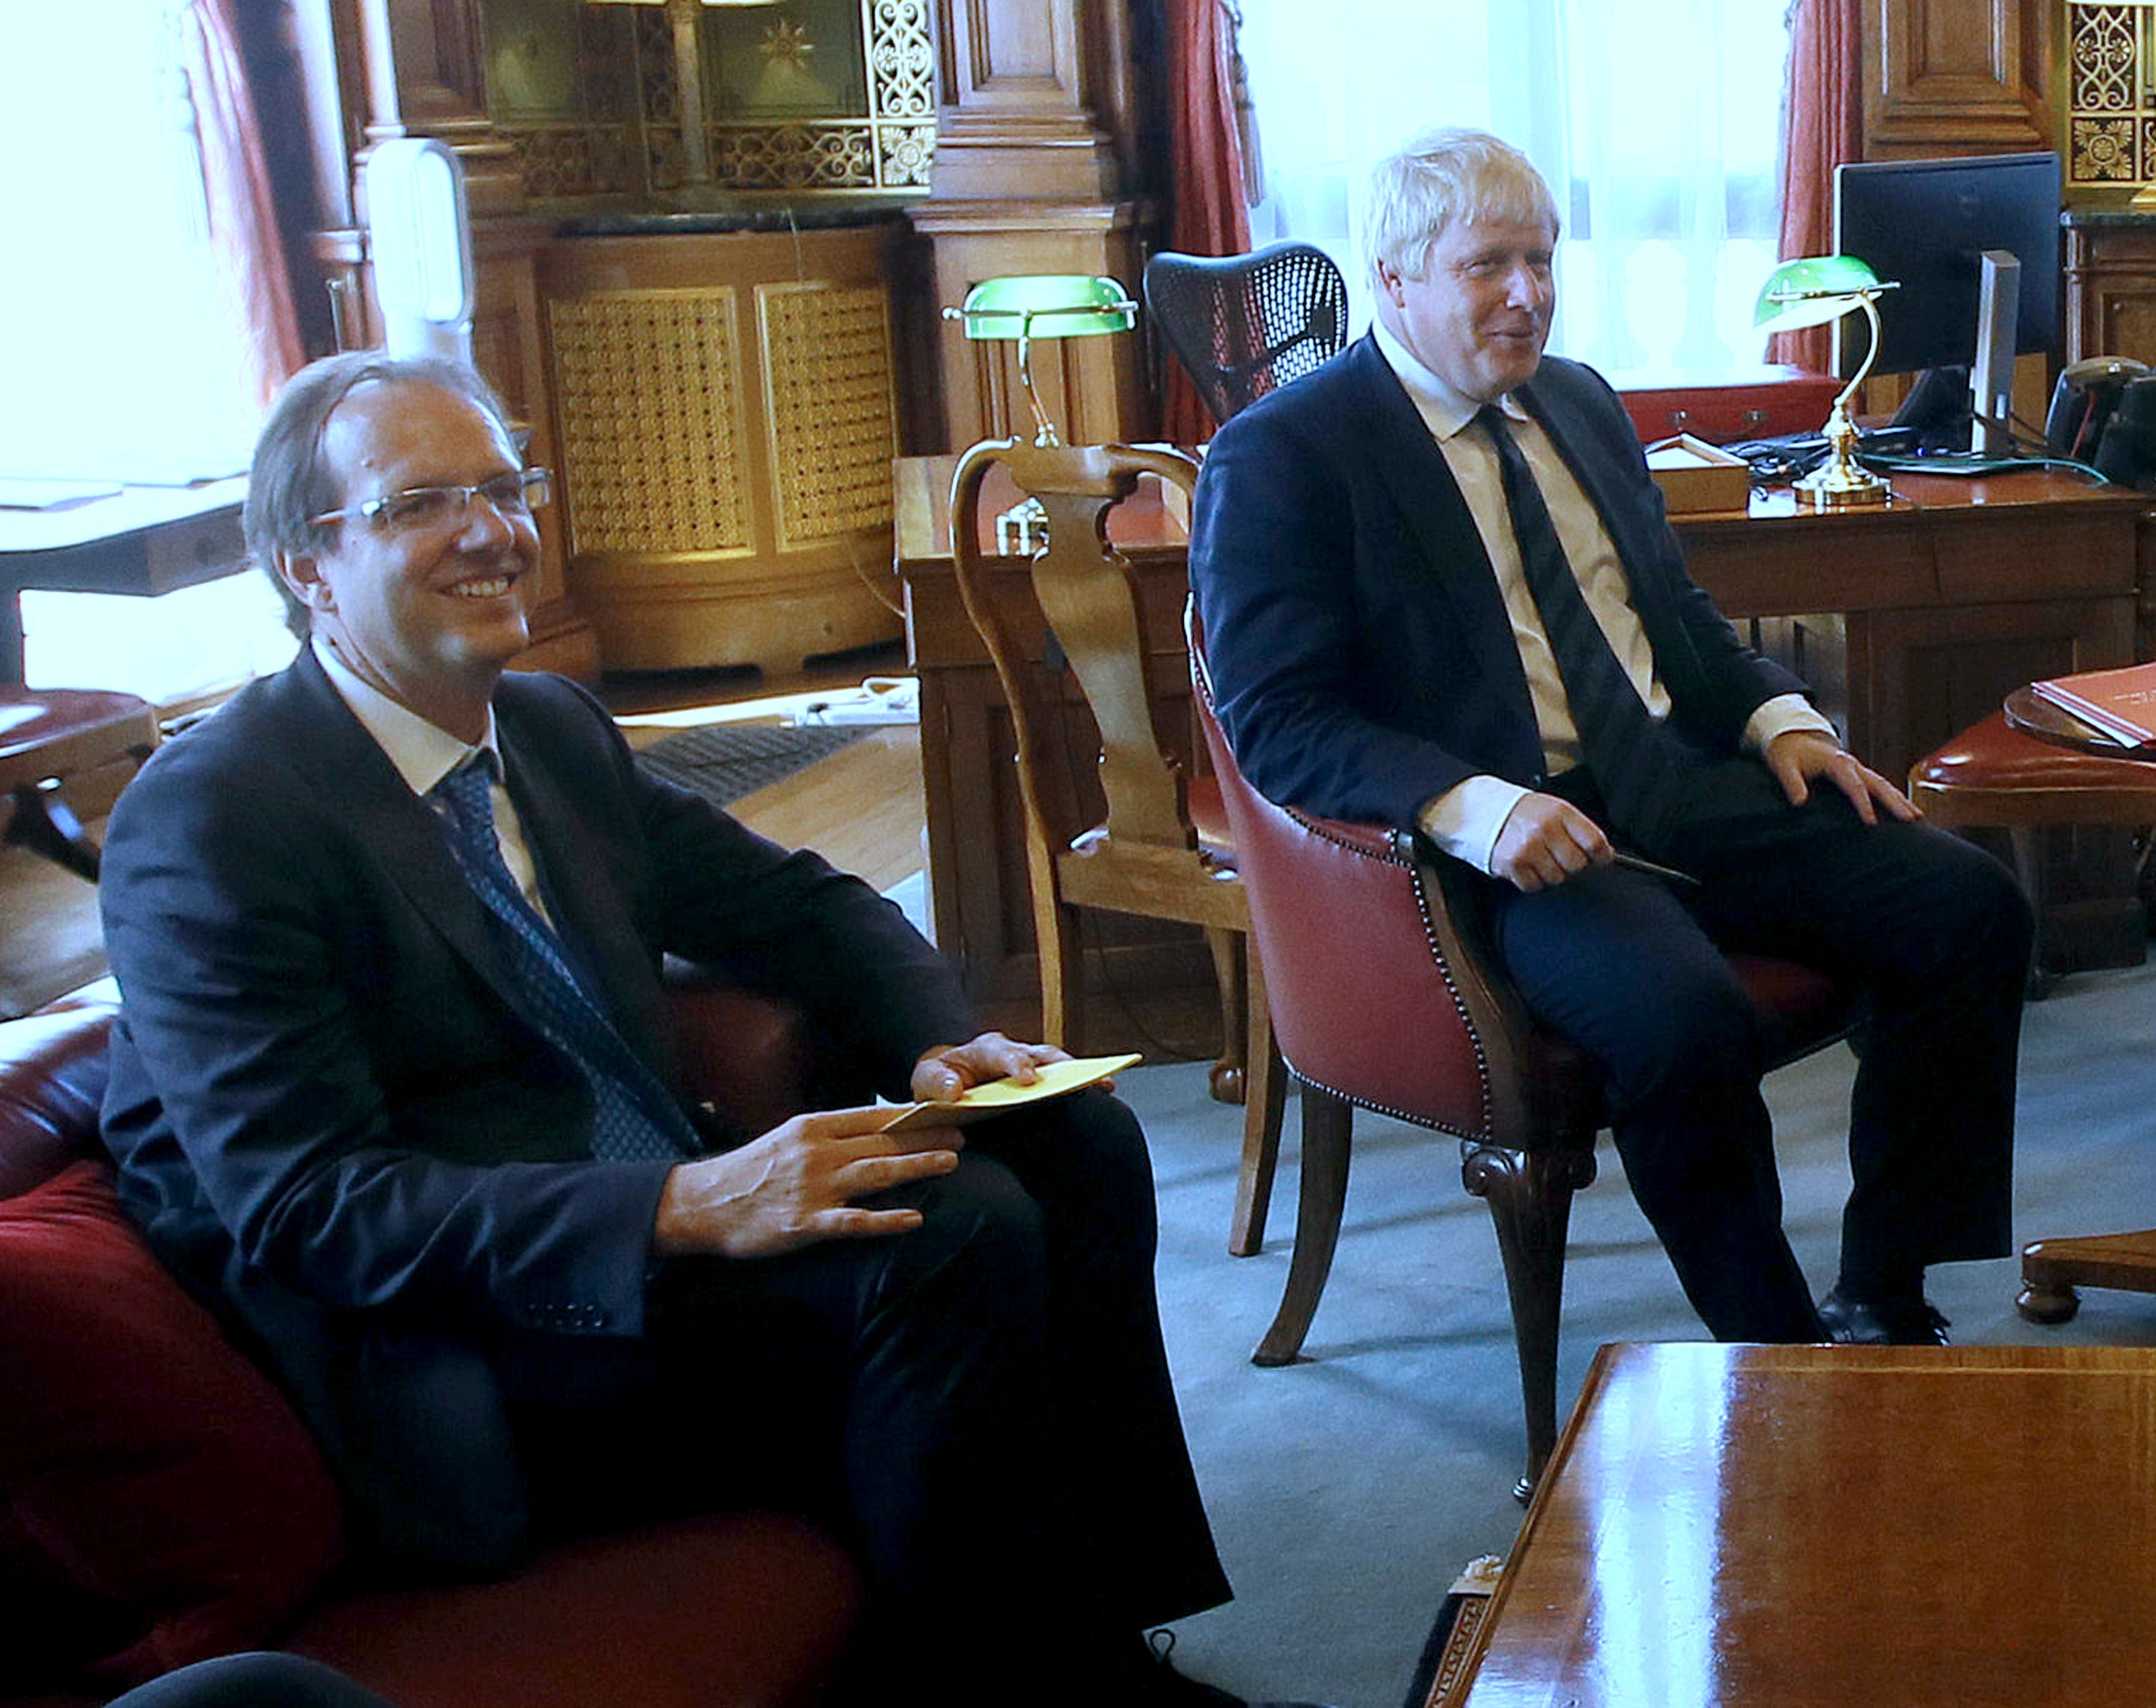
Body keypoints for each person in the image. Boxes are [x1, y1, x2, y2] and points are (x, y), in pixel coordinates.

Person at [99, 352, 1318, 1708]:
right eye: (419, 502)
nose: (493, 531)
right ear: (306, 566)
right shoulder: (216, 820)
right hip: (471, 1339)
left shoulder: (546, 731)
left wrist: (933, 1049)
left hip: (655, 1231)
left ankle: (1103, 1645)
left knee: (1071, 1142)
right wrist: (683, 1202)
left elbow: (808, 907)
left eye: (506, 488)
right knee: (952, 1241)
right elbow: (312, 1207)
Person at [1188, 127, 2032, 1348]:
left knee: (1968, 909)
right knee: (1683, 1021)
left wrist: (1775, 718)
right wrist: (1473, 804)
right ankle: (1780, 1358)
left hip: (1674, 780)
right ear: (1395, 278)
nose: (1526, 294)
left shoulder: (1576, 400)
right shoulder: (1286, 454)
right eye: (1487, 265)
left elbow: (1671, 616)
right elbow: (1276, 717)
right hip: (1504, 842)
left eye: (1539, 259)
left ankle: (1882, 1291)